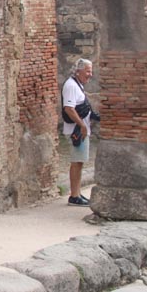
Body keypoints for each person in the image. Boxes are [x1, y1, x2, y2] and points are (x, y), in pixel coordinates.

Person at [62, 58, 98, 206]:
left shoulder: (78, 85)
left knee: (80, 162)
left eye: (91, 71)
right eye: (87, 71)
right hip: (76, 130)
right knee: (77, 162)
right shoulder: (71, 86)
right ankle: (74, 196)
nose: (90, 74)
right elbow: (69, 109)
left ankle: (76, 193)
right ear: (78, 71)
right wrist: (82, 125)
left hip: (82, 129)